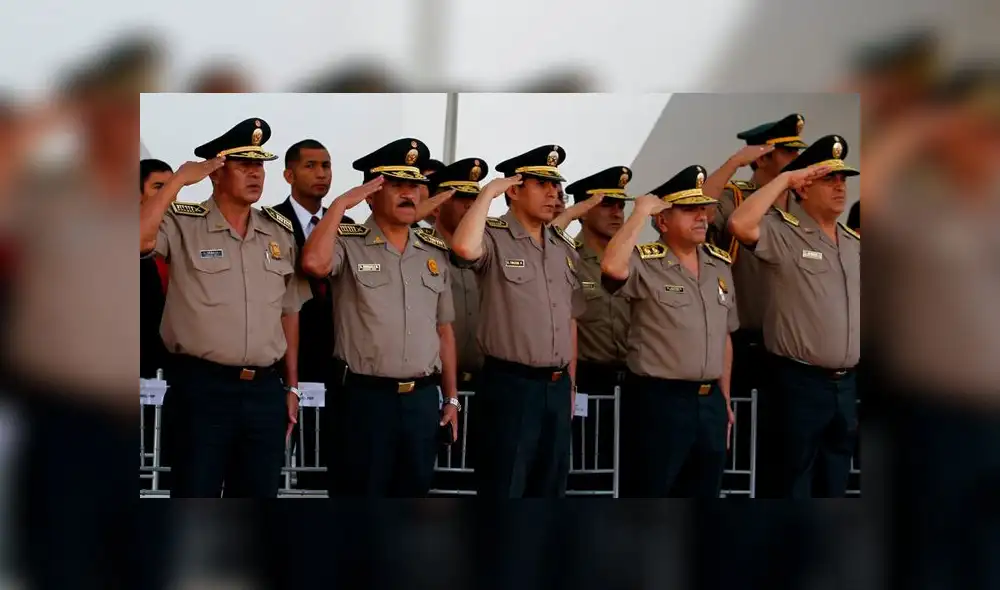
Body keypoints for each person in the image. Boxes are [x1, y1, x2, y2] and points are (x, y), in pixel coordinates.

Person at [138, 117, 310, 498]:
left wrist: (292, 386)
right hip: (202, 388)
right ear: (216, 172)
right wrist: (179, 181)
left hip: (265, 390)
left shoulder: (278, 232)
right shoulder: (182, 222)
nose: (255, 174)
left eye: (260, 165)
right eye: (243, 165)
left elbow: (289, 312)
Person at [301, 138, 459, 497]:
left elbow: (444, 329)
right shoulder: (347, 241)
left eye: (415, 185)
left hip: (421, 401)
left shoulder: (432, 252)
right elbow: (313, 264)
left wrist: (451, 398)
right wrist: (340, 205)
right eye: (397, 185)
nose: (410, 195)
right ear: (371, 193)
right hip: (365, 400)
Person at [728, 134, 861, 498]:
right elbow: (740, 225)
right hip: (799, 383)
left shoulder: (854, 242)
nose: (840, 187)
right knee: (789, 483)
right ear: (804, 188)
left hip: (846, 384)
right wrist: (784, 179)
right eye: (829, 179)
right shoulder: (785, 233)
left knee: (835, 483)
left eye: (843, 179)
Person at [451, 144, 586, 498]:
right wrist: (487, 194)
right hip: (511, 385)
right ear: (514, 190)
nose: (553, 192)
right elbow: (464, 250)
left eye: (555, 185)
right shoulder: (493, 236)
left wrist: (570, 384)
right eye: (542, 184)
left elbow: (570, 318)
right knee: (505, 485)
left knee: (550, 486)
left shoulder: (562, 246)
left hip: (556, 387)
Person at [601, 165, 738, 498]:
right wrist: (639, 213)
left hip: (709, 404)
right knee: (651, 493)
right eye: (689, 210)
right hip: (659, 401)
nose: (702, 217)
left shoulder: (719, 264)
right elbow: (611, 267)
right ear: (662, 221)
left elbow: (725, 335)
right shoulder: (645, 262)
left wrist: (725, 397)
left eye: (703, 209)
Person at [700, 113, 808, 497]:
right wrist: (732, 164)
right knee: (736, 446)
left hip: (792, 348)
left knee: (783, 450)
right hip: (744, 341)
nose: (797, 161)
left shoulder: (800, 209)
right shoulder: (737, 199)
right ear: (762, 158)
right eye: (786, 153)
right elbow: (702, 210)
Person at [270, 139, 353, 490]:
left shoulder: (346, 224)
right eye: (311, 166)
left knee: (330, 460)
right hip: (283, 355)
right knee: (278, 462)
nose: (321, 173)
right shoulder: (271, 222)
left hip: (335, 357)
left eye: (327, 165)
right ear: (289, 174)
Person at [561, 167, 634, 479]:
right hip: (587, 379)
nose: (617, 213)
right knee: (585, 468)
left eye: (621, 205)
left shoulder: (635, 260)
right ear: (583, 211)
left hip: (633, 381)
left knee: (628, 472)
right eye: (606, 205)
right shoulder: (567, 258)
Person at [139, 158, 173, 379]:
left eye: (172, 187)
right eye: (159, 187)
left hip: (174, 366)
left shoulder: (185, 237)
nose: (168, 195)